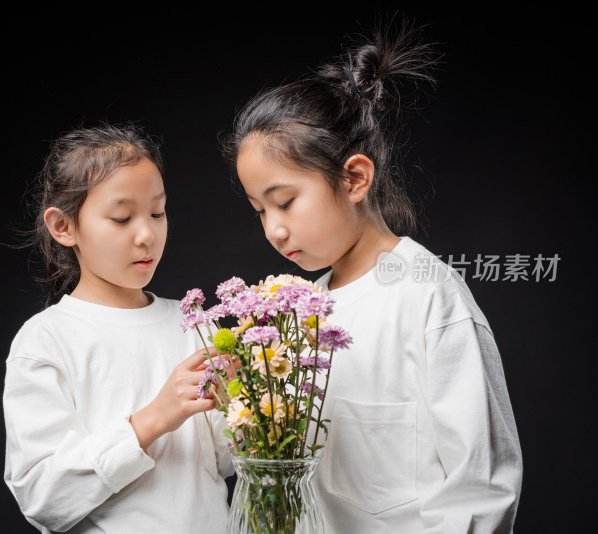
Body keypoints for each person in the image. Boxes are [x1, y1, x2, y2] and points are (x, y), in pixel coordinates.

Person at [220, 19, 523, 533]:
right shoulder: (302, 313)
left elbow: (480, 488)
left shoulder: (428, 295)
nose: (273, 229)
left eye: (285, 202)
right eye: (259, 211)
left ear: (355, 177)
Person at [2, 123, 233, 533]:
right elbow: (43, 498)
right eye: (122, 217)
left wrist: (243, 402)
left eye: (157, 212)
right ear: (64, 227)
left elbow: (223, 462)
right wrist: (154, 419)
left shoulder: (194, 322)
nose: (147, 234)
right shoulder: (47, 340)